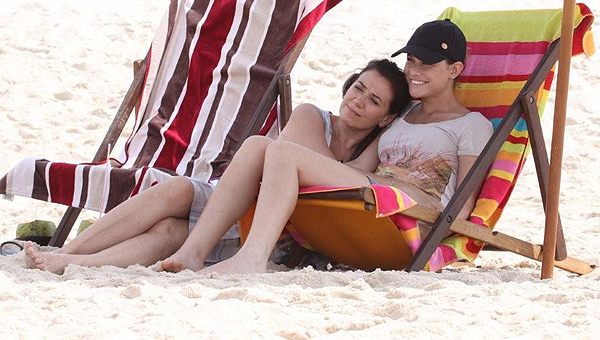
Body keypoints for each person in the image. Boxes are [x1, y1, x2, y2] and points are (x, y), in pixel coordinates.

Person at [156, 19, 493, 275]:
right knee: (259, 145)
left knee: (283, 152)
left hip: (409, 215)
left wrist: (424, 212)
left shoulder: (471, 124)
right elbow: (360, 168)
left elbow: (463, 208)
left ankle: (253, 258)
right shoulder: (402, 115)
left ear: (455, 70)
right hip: (373, 198)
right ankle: (193, 252)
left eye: (427, 65)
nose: (414, 72)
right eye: (412, 61)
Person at [24, 58, 411, 274]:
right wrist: (360, 166)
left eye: (374, 101)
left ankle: (78, 264)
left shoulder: (372, 152)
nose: (358, 100)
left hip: (261, 226)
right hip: (232, 200)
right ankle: (68, 251)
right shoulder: (312, 117)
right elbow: (313, 165)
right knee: (177, 188)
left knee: (169, 233)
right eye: (358, 87)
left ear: (386, 119)